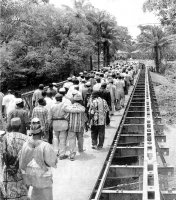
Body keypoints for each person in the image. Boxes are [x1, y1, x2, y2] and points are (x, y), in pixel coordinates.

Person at [19, 121, 57, 200]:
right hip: (43, 178)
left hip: (29, 176)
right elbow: (53, 162)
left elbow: (21, 161)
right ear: (41, 132)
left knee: (35, 194)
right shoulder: (45, 145)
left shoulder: (25, 144)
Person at [2, 118, 28, 200]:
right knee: (21, 192)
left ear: (10, 125)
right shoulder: (26, 138)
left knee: (10, 193)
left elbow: (3, 154)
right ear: (20, 126)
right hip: (21, 170)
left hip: (9, 170)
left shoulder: (5, 137)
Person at [65, 94, 87, 161]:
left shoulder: (70, 108)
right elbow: (85, 119)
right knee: (80, 138)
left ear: (74, 100)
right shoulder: (82, 108)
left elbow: (66, 117)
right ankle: (80, 149)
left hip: (71, 126)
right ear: (80, 101)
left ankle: (72, 154)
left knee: (71, 140)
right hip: (80, 127)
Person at [48, 93, 69, 160]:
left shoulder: (52, 106)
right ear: (61, 98)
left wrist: (50, 124)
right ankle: (62, 154)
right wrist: (66, 118)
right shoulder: (65, 105)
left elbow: (49, 117)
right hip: (63, 123)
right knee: (62, 138)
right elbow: (69, 114)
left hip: (55, 123)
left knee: (55, 138)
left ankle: (55, 152)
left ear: (55, 99)